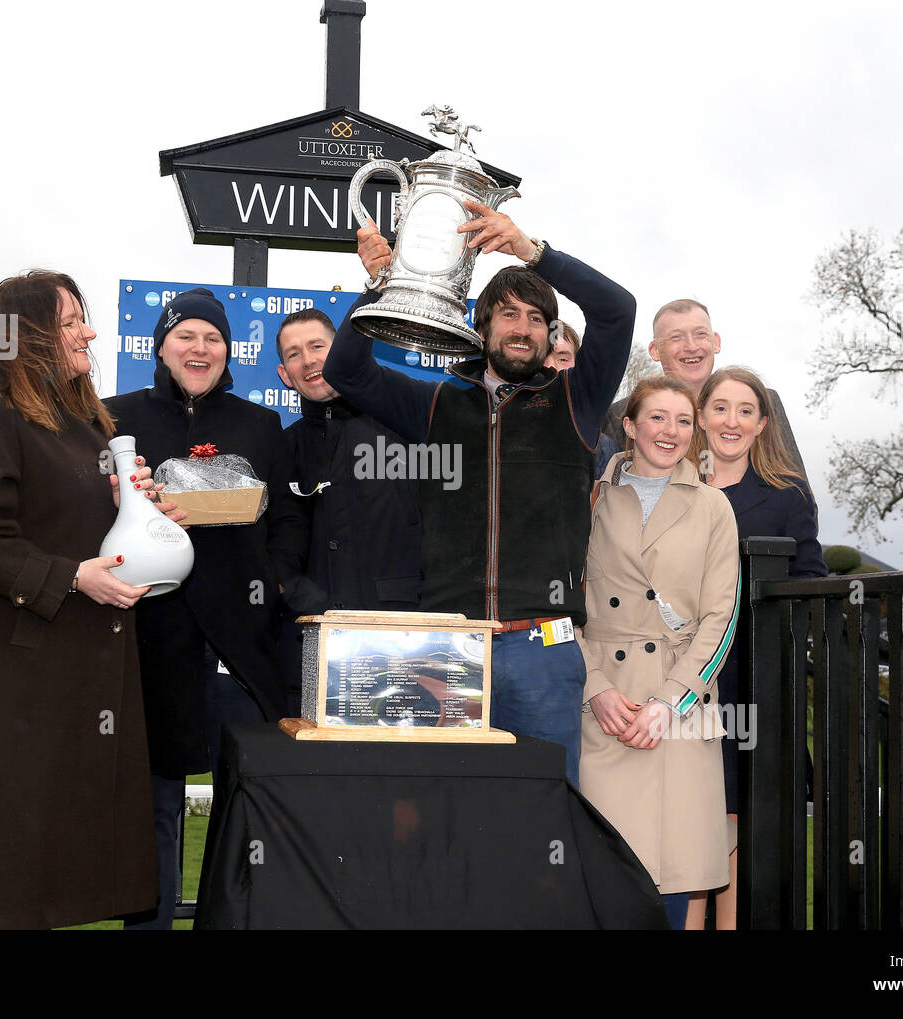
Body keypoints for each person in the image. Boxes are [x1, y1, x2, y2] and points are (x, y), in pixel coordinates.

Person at [324, 203, 636, 786]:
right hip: (448, 648)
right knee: (450, 821)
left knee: (544, 824)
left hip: (542, 651)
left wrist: (530, 250)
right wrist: (381, 285)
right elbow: (348, 371)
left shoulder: (577, 401)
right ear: (483, 325)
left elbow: (618, 311)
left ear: (550, 336)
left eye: (537, 319)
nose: (522, 328)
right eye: (509, 314)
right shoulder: (438, 403)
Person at [0, 270, 165, 929]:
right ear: (28, 333)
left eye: (82, 318)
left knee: (61, 871)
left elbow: (83, 530)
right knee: (10, 872)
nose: (88, 331)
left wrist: (133, 508)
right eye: (70, 322)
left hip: (84, 675)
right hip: (21, 685)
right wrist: (71, 577)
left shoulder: (86, 426)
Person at [104, 287, 303, 929]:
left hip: (239, 651)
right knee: (149, 808)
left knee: (243, 809)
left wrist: (271, 582)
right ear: (161, 347)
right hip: (148, 641)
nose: (199, 348)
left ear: (228, 351)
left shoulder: (260, 424)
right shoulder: (114, 420)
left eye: (212, 338)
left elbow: (289, 518)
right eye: (186, 335)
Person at [579, 374, 740, 930]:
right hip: (608, 706)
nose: (670, 432)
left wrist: (671, 702)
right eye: (656, 417)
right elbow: (562, 609)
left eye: (683, 421)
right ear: (629, 425)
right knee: (603, 873)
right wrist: (594, 687)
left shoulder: (715, 507)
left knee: (675, 872)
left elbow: (722, 617)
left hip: (679, 708)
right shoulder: (590, 499)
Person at [690, 365, 826, 928]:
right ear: (701, 416)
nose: (732, 420)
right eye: (720, 407)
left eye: (746, 411)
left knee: (732, 819)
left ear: (763, 423)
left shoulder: (787, 497)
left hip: (749, 679)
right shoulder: (670, 486)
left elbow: (811, 585)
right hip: (674, 679)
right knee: (688, 819)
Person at [275, 307, 422, 615]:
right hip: (309, 630)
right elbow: (272, 548)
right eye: (293, 354)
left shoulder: (406, 431)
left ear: (343, 352)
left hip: (402, 631)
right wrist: (305, 600)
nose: (308, 360)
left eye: (317, 346)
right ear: (285, 376)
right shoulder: (280, 449)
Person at [647, 298, 810, 486]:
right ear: (655, 350)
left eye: (700, 334)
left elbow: (799, 495)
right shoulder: (625, 415)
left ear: (715, 342)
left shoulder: (763, 402)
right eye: (676, 337)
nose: (691, 346)